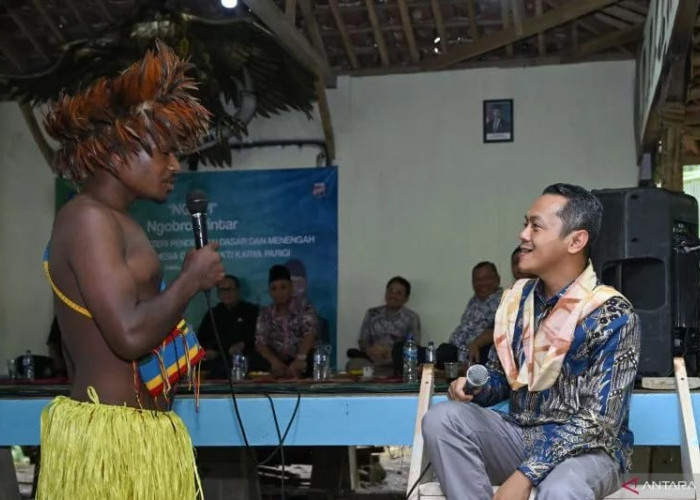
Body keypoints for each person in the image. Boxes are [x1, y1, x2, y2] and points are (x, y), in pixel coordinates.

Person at [38, 42, 222, 499]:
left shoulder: (117, 221)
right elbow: (127, 335)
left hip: (144, 439)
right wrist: (190, 281)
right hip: (107, 446)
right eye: (164, 153)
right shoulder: (88, 219)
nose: (175, 165)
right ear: (118, 155)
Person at [422, 183, 640, 500]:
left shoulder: (611, 313)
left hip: (591, 450)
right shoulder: (516, 302)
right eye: (525, 224)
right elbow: (501, 378)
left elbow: (600, 421)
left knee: (560, 488)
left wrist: (526, 475)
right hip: (522, 435)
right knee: (442, 418)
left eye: (535, 226)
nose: (523, 235)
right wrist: (476, 388)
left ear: (576, 240)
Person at [348, 276, 421, 374]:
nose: (393, 296)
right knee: (353, 364)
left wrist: (389, 353)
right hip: (371, 360)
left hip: (396, 362)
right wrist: (370, 351)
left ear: (406, 298)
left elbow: (414, 346)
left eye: (398, 293)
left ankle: (380, 373)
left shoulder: (412, 317)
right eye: (391, 291)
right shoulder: (372, 313)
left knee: (406, 368)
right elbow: (363, 340)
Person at [255, 264, 317, 377]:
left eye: (283, 287)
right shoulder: (266, 313)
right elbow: (260, 342)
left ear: (291, 288)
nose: (279, 292)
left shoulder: (304, 307)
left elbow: (310, 334)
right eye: (274, 289)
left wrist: (300, 358)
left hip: (300, 356)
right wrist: (274, 361)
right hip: (276, 359)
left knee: (312, 360)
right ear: (270, 292)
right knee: (256, 360)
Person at [198, 274, 259, 378]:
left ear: (238, 291)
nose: (226, 293)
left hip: (242, 358)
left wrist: (243, 344)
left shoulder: (251, 311)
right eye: (222, 290)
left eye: (230, 289)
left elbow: (259, 337)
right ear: (218, 293)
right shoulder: (213, 313)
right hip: (216, 360)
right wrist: (207, 350)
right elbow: (200, 339)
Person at [445, 262, 503, 364]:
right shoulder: (474, 301)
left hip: (479, 357)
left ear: (497, 279)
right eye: (477, 280)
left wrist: (476, 344)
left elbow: (499, 330)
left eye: (486, 278)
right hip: (456, 353)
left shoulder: (504, 300)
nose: (481, 283)